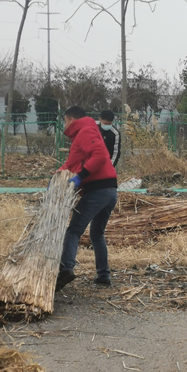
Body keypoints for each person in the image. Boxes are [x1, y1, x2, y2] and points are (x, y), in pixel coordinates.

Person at [56, 106, 119, 291]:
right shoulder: (87, 133)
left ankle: (66, 269)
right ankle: (104, 276)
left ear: (71, 120)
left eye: (65, 121)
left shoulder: (85, 131)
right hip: (110, 191)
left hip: (97, 190)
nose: (64, 125)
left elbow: (100, 155)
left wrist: (80, 177)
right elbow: (71, 163)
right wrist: (57, 177)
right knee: (97, 234)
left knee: (73, 231)